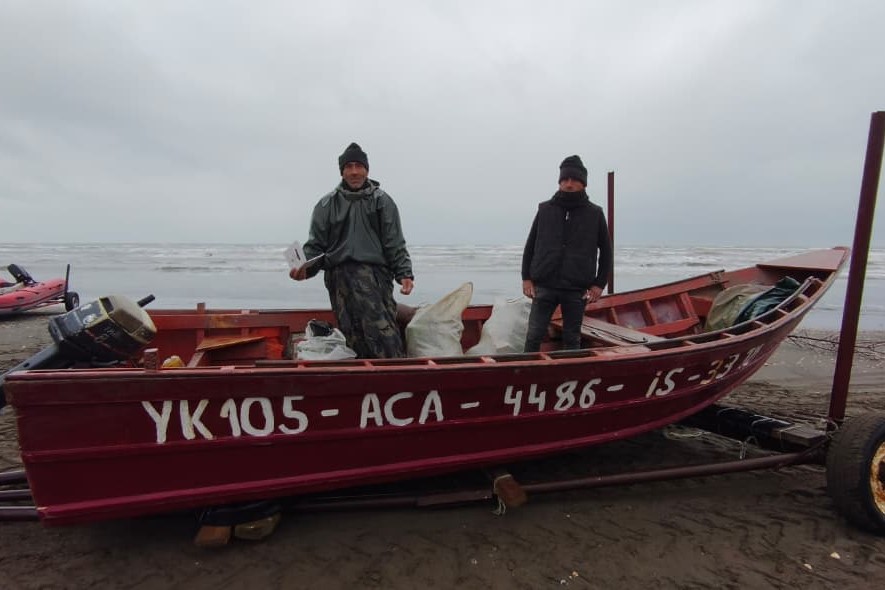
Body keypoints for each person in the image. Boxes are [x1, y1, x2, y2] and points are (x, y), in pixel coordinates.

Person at [290, 142, 415, 358]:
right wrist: (304, 270)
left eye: (359, 166)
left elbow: (394, 242)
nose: (354, 171)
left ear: (367, 169)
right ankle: (362, 378)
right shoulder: (326, 205)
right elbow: (315, 246)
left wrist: (404, 273)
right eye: (349, 167)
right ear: (342, 171)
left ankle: (395, 373)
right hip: (339, 280)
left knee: (383, 332)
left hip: (374, 278)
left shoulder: (382, 202)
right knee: (352, 333)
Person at [521, 155, 612, 352]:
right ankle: (527, 374)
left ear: (583, 184)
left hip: (576, 288)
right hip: (544, 284)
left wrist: (599, 284)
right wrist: (526, 278)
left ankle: (569, 376)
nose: (569, 184)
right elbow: (530, 245)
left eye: (574, 180)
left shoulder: (595, 213)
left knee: (572, 339)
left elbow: (606, 251)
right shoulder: (545, 209)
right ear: (560, 181)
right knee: (533, 335)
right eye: (565, 179)